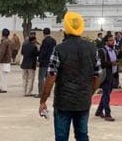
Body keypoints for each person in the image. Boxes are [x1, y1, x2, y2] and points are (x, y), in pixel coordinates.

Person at [39, 11, 99, 141]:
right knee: (82, 135)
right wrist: (89, 93)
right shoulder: (92, 48)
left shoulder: (59, 49)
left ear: (65, 29)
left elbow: (51, 77)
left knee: (61, 137)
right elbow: (97, 76)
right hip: (83, 101)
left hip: (63, 102)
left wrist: (43, 100)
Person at [96, 34, 122, 121]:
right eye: (110, 40)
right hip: (106, 75)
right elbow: (102, 63)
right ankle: (107, 114)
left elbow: (117, 58)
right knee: (107, 95)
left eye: (113, 40)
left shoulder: (113, 50)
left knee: (106, 94)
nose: (112, 42)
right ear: (106, 42)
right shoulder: (102, 51)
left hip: (113, 75)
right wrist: (111, 63)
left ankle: (99, 111)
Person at [38, 27, 57, 98]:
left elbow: (43, 52)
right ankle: (48, 93)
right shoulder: (54, 41)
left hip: (44, 62)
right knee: (49, 78)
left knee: (41, 78)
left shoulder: (45, 41)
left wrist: (39, 60)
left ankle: (41, 93)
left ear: (44, 33)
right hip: (51, 62)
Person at [0, 28, 13, 93]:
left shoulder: (4, 42)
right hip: (7, 61)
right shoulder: (10, 41)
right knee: (5, 76)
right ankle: (3, 87)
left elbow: (2, 53)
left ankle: (3, 88)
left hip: (3, 61)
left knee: (2, 76)